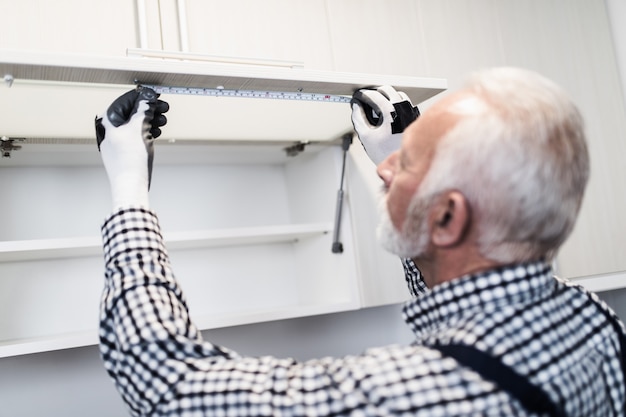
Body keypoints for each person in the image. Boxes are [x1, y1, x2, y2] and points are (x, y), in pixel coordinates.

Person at [95, 68, 625, 416]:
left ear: (447, 215)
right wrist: (410, 148)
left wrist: (128, 190)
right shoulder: (592, 319)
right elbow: (465, 292)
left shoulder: (414, 396)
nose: (385, 168)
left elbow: (168, 383)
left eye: (407, 160)